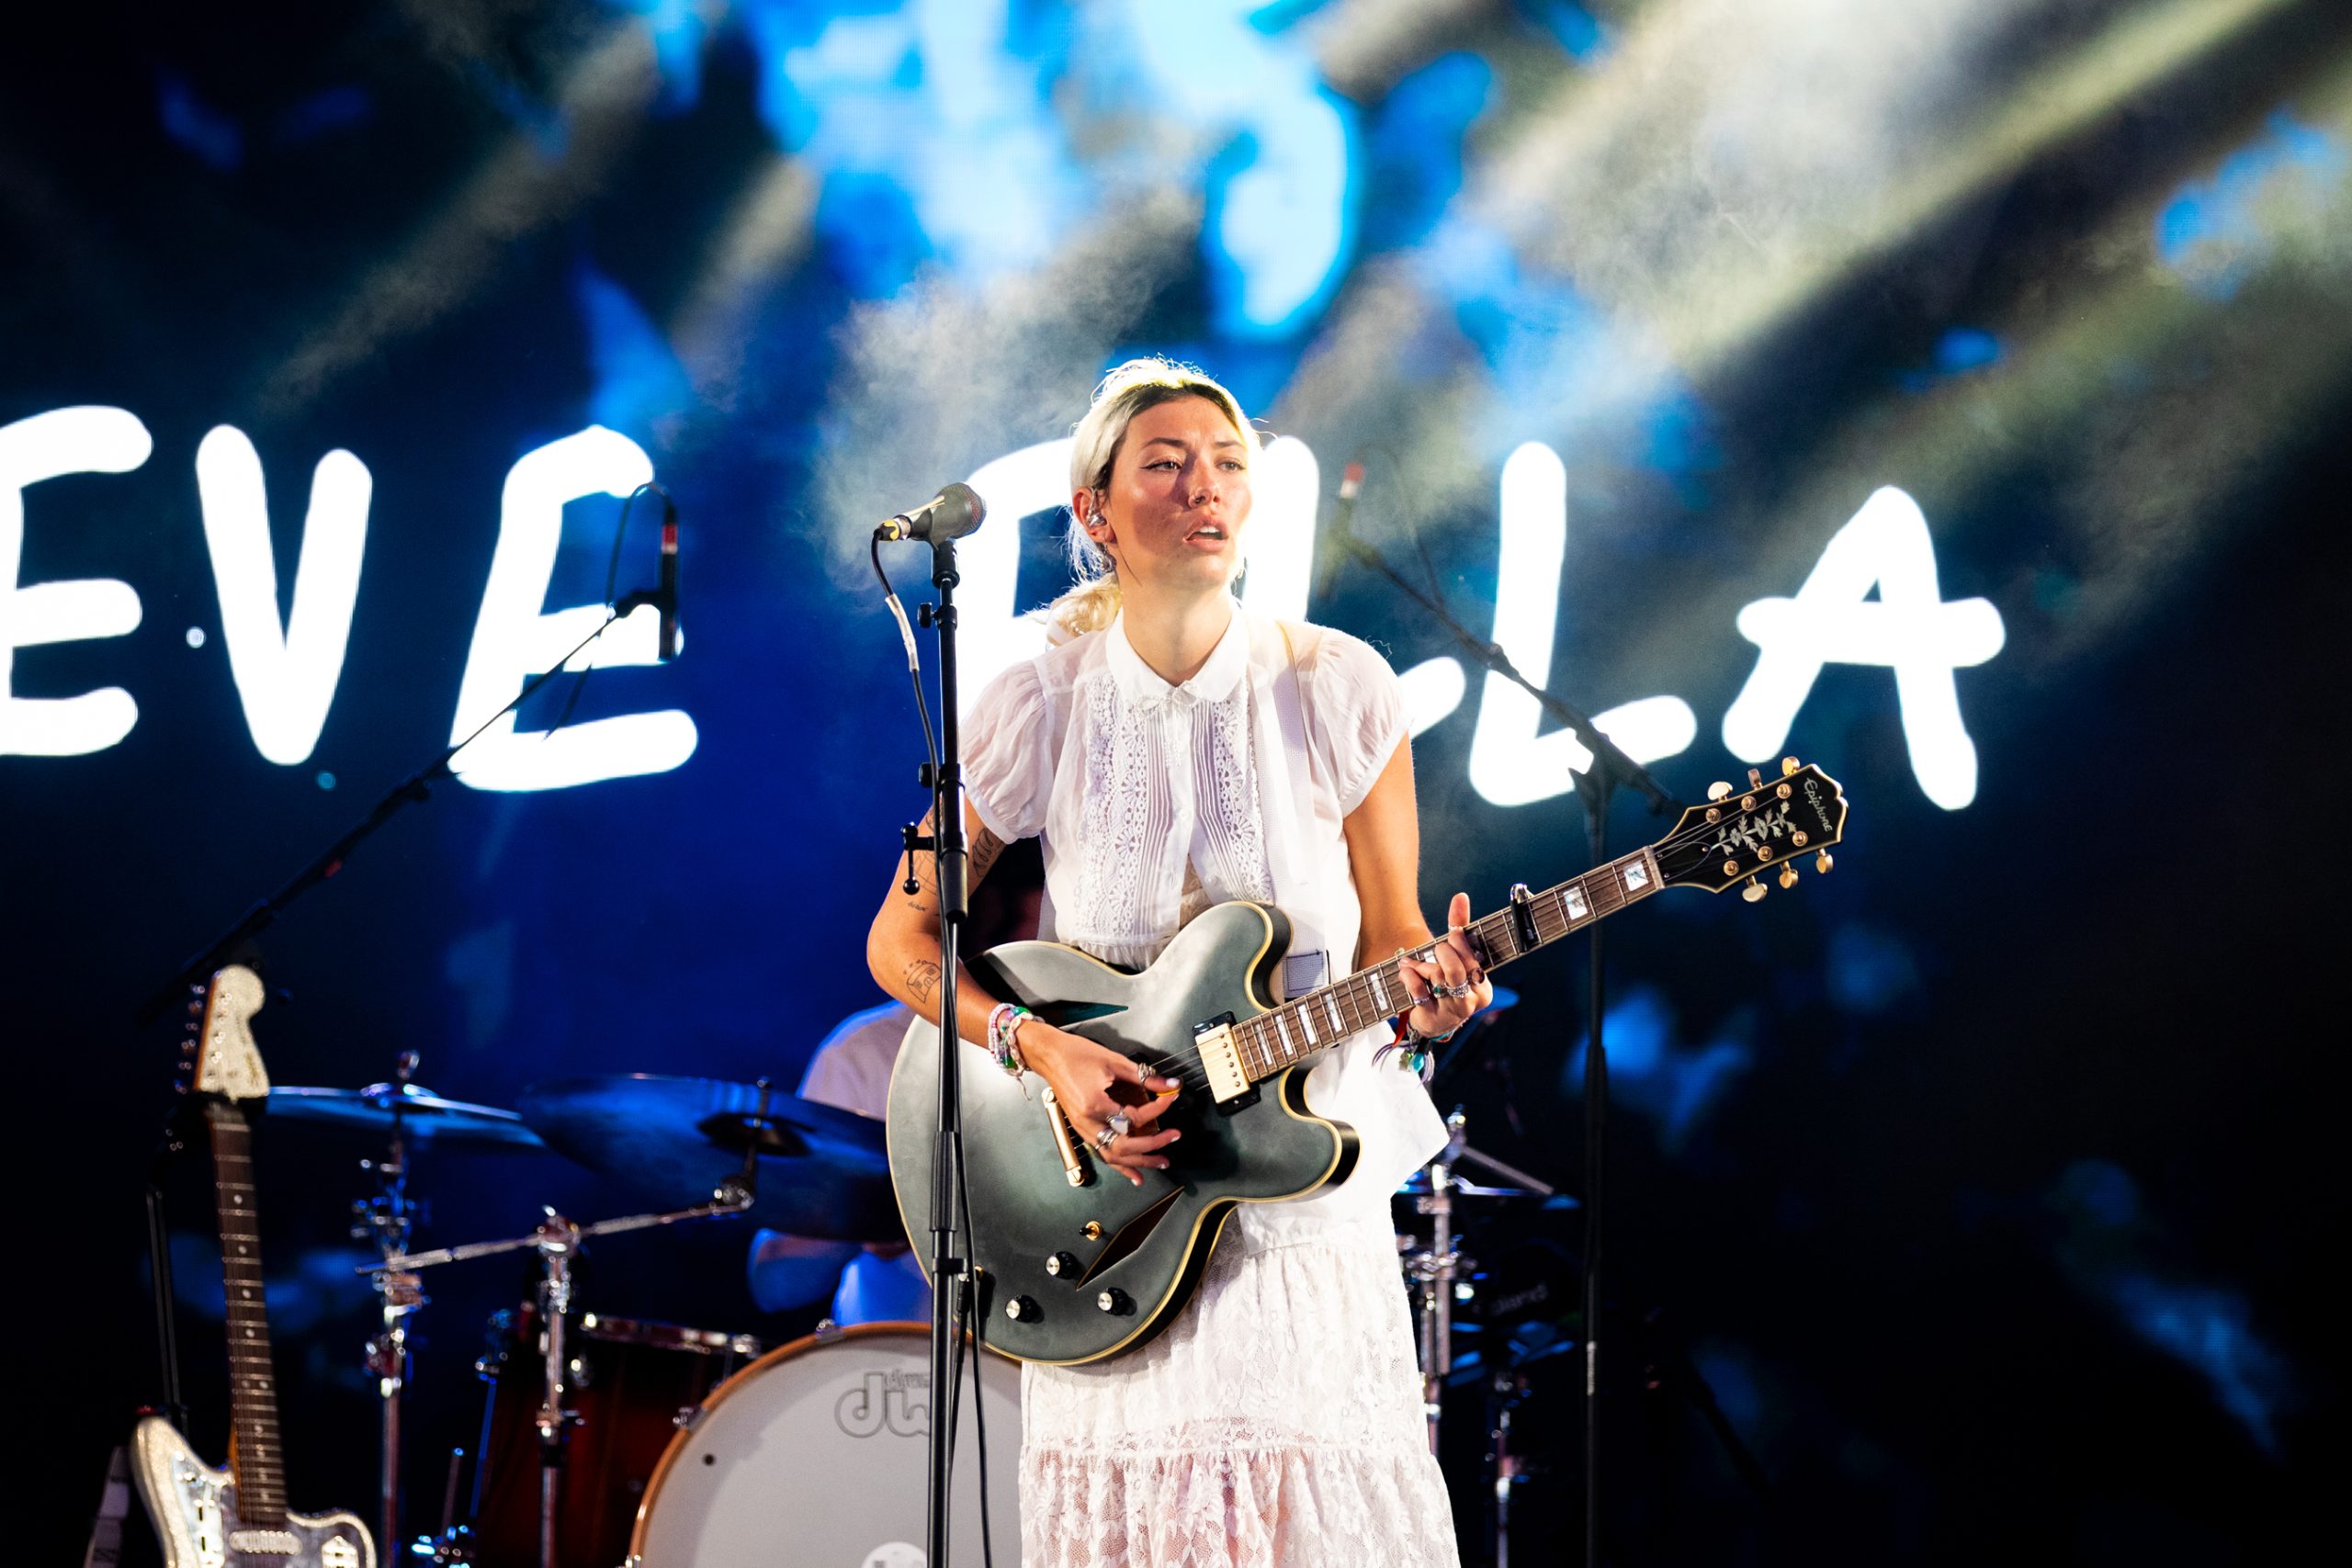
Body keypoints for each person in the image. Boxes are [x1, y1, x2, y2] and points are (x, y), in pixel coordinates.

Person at [865, 358, 1491, 1568]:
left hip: (1299, 1216)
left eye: (1229, 464)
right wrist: (1044, 1053)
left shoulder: (1341, 687)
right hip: (1110, 1202)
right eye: (1166, 464)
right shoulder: (1033, 697)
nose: (1206, 487)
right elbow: (902, 940)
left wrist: (1433, 1002)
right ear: (1095, 512)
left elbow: (1396, 941)